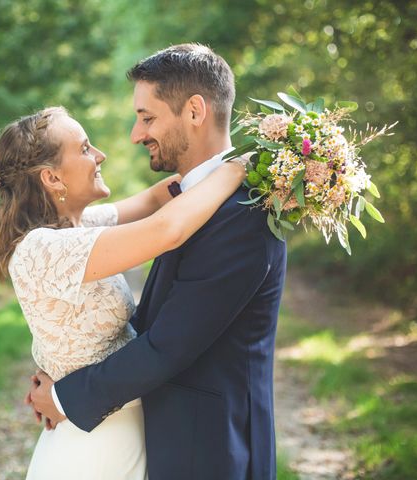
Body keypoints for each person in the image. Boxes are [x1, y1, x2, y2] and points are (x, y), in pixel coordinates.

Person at [28, 44, 287, 480]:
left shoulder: (242, 214)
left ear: (194, 111)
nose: (135, 134)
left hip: (214, 452)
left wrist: (65, 398)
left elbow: (168, 345)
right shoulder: (191, 202)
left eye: (147, 118)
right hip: (171, 443)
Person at [0, 104, 247, 479]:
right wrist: (240, 167)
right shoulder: (43, 248)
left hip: (116, 421)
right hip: (93, 447)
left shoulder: (77, 227)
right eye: (85, 148)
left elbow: (159, 198)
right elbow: (166, 229)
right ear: (52, 178)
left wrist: (216, 162)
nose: (100, 155)